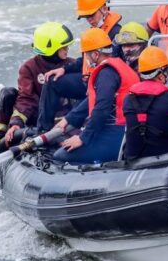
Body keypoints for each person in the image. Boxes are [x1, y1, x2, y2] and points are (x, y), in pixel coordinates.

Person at [36, 0, 123, 131]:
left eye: (91, 15)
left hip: (101, 85)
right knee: (52, 81)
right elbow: (84, 61)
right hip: (86, 81)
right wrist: (63, 69)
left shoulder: (116, 34)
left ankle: (72, 127)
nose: (89, 20)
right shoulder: (96, 30)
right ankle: (43, 130)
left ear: (104, 8)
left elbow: (114, 70)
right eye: (85, 17)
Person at [51, 28, 139, 164]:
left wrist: (82, 138)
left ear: (96, 55)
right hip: (128, 132)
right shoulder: (122, 66)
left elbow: (102, 108)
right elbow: (94, 100)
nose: (85, 58)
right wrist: (68, 119)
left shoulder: (106, 74)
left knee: (60, 156)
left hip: (115, 135)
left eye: (86, 54)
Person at [0, 22, 75, 148]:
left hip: (64, 120)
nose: (67, 50)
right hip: (37, 119)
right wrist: (16, 124)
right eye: (64, 47)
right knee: (8, 93)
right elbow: (26, 99)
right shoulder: (29, 68)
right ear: (50, 49)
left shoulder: (71, 65)